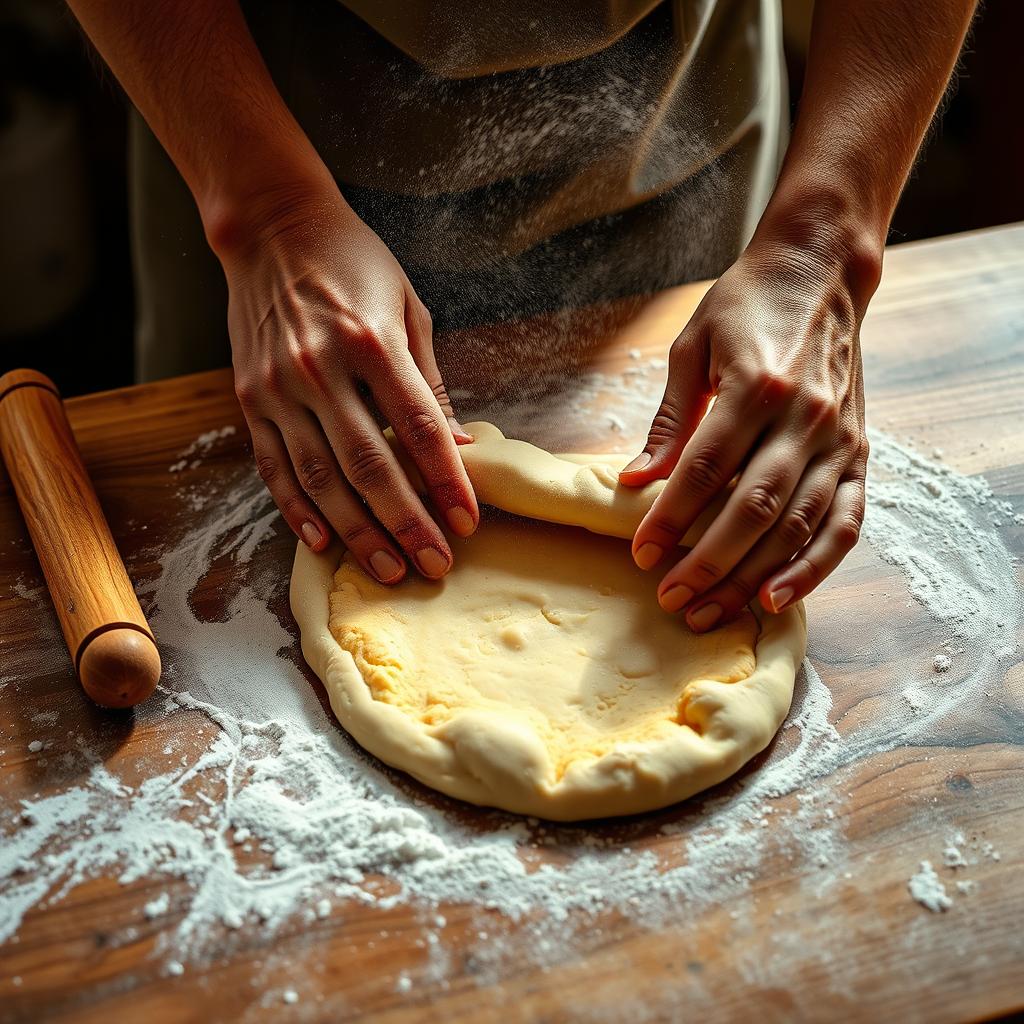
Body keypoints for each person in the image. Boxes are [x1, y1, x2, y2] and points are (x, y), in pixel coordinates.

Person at [67, 0, 976, 630]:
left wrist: (823, 242)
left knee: (712, 492)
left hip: (683, 122)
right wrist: (266, 213)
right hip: (255, 123)